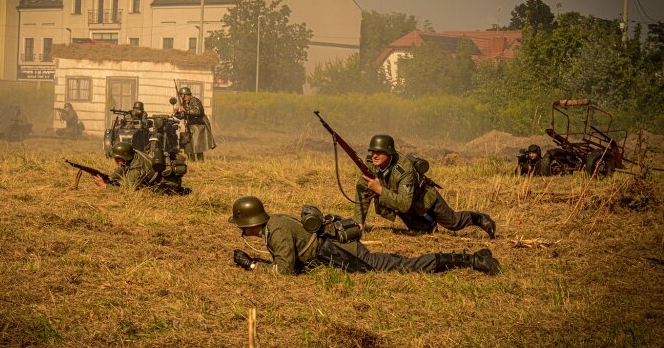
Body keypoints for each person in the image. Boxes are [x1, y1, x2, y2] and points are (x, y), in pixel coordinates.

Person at [229, 196, 501, 275]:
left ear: (249, 222)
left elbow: (283, 271)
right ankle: (471, 260)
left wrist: (253, 265)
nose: (239, 229)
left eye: (240, 223)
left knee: (406, 266)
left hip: (344, 254)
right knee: (403, 264)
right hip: (335, 252)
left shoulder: (276, 231)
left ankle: (473, 260)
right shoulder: (274, 224)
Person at [354, 134, 496, 238]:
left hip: (424, 198)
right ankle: (428, 225)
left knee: (453, 223)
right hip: (403, 202)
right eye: (373, 151)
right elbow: (362, 191)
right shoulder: (371, 165)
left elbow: (404, 203)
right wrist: (359, 223)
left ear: (389, 153)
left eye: (379, 152)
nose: (375, 156)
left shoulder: (404, 170)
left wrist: (379, 190)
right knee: (423, 231)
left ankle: (479, 218)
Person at [93, 141, 190, 194]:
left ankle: (183, 191)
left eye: (118, 160)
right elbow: (123, 167)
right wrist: (111, 178)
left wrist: (105, 186)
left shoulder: (136, 169)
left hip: (167, 186)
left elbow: (127, 190)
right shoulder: (133, 154)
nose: (115, 162)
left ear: (125, 157)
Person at [175, 87, 216, 161]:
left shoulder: (196, 101)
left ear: (185, 95)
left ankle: (200, 161)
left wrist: (185, 110)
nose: (181, 97)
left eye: (182, 95)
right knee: (188, 145)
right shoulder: (184, 103)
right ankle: (191, 161)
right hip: (190, 125)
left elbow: (197, 111)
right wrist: (178, 112)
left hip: (199, 125)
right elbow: (182, 116)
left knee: (197, 145)